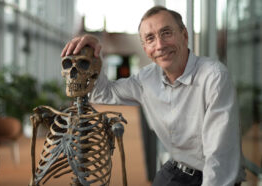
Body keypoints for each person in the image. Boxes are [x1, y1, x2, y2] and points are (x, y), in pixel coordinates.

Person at [61, 6, 245, 186]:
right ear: (145, 48)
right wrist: (94, 55)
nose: (160, 45)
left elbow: (220, 158)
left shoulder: (214, 77)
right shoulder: (146, 79)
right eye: (150, 38)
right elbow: (102, 93)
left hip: (211, 176)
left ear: (185, 35)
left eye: (167, 33)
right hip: (176, 169)